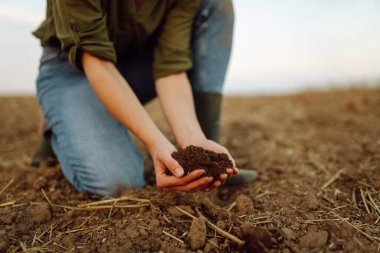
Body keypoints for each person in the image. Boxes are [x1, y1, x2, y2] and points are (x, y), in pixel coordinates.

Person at [31, 0, 257, 196]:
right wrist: (156, 143)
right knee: (117, 183)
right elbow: (97, 62)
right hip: (74, 67)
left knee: (214, 4)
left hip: (133, 62)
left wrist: (193, 140)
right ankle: (60, 120)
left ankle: (208, 140)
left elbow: (171, 68)